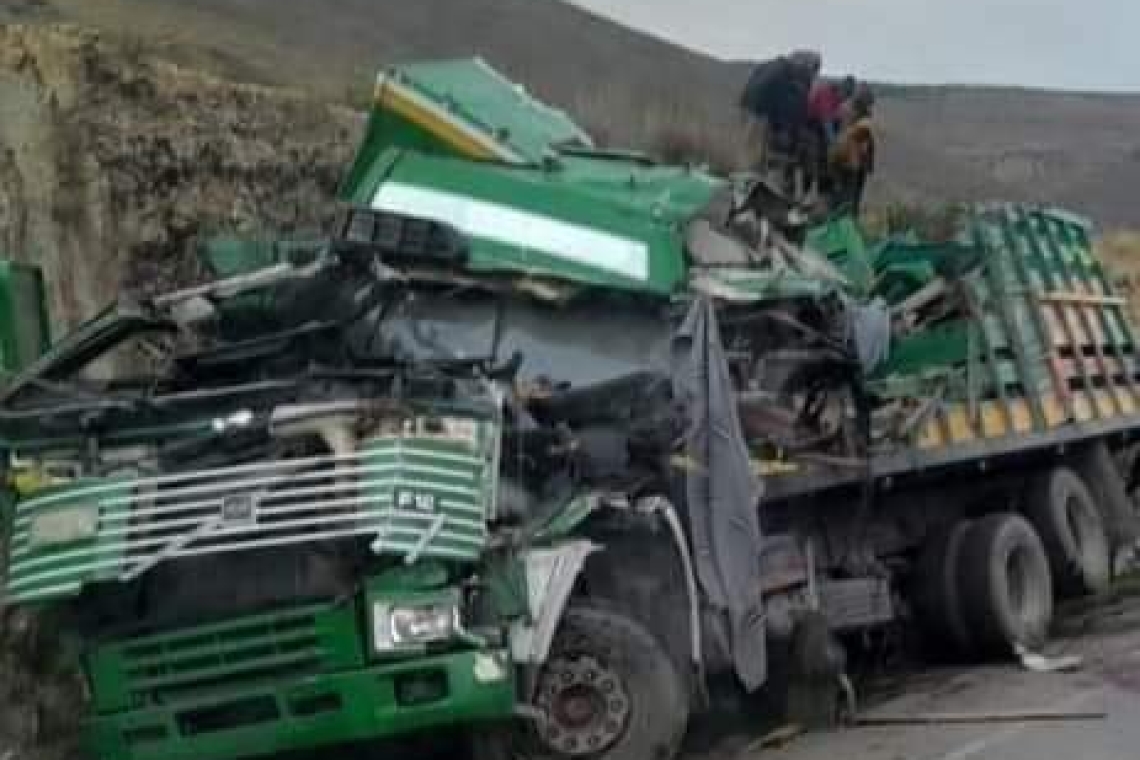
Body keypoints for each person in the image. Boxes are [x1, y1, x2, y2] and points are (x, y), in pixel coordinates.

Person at [739, 50, 822, 170]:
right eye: (813, 68)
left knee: (754, 148)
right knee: (753, 148)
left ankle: (749, 173)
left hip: (757, 111)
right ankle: (746, 174)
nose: (812, 73)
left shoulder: (778, 68)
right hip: (761, 113)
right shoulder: (784, 73)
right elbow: (790, 105)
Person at [829, 85, 876, 215]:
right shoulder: (864, 118)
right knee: (851, 196)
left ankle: (835, 219)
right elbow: (865, 144)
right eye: (869, 102)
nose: (869, 106)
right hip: (852, 161)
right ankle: (847, 223)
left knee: (839, 192)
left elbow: (834, 127)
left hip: (838, 156)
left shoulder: (842, 107)